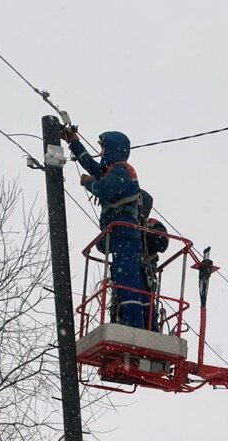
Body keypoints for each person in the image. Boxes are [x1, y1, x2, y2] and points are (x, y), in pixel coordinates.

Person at [63, 128, 149, 329]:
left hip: (126, 234)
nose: (101, 153)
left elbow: (105, 189)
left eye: (103, 148)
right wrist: (74, 143)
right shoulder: (113, 169)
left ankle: (133, 326)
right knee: (124, 279)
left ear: (113, 149)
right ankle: (133, 323)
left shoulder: (122, 170)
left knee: (127, 280)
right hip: (121, 236)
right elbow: (92, 166)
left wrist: (90, 183)